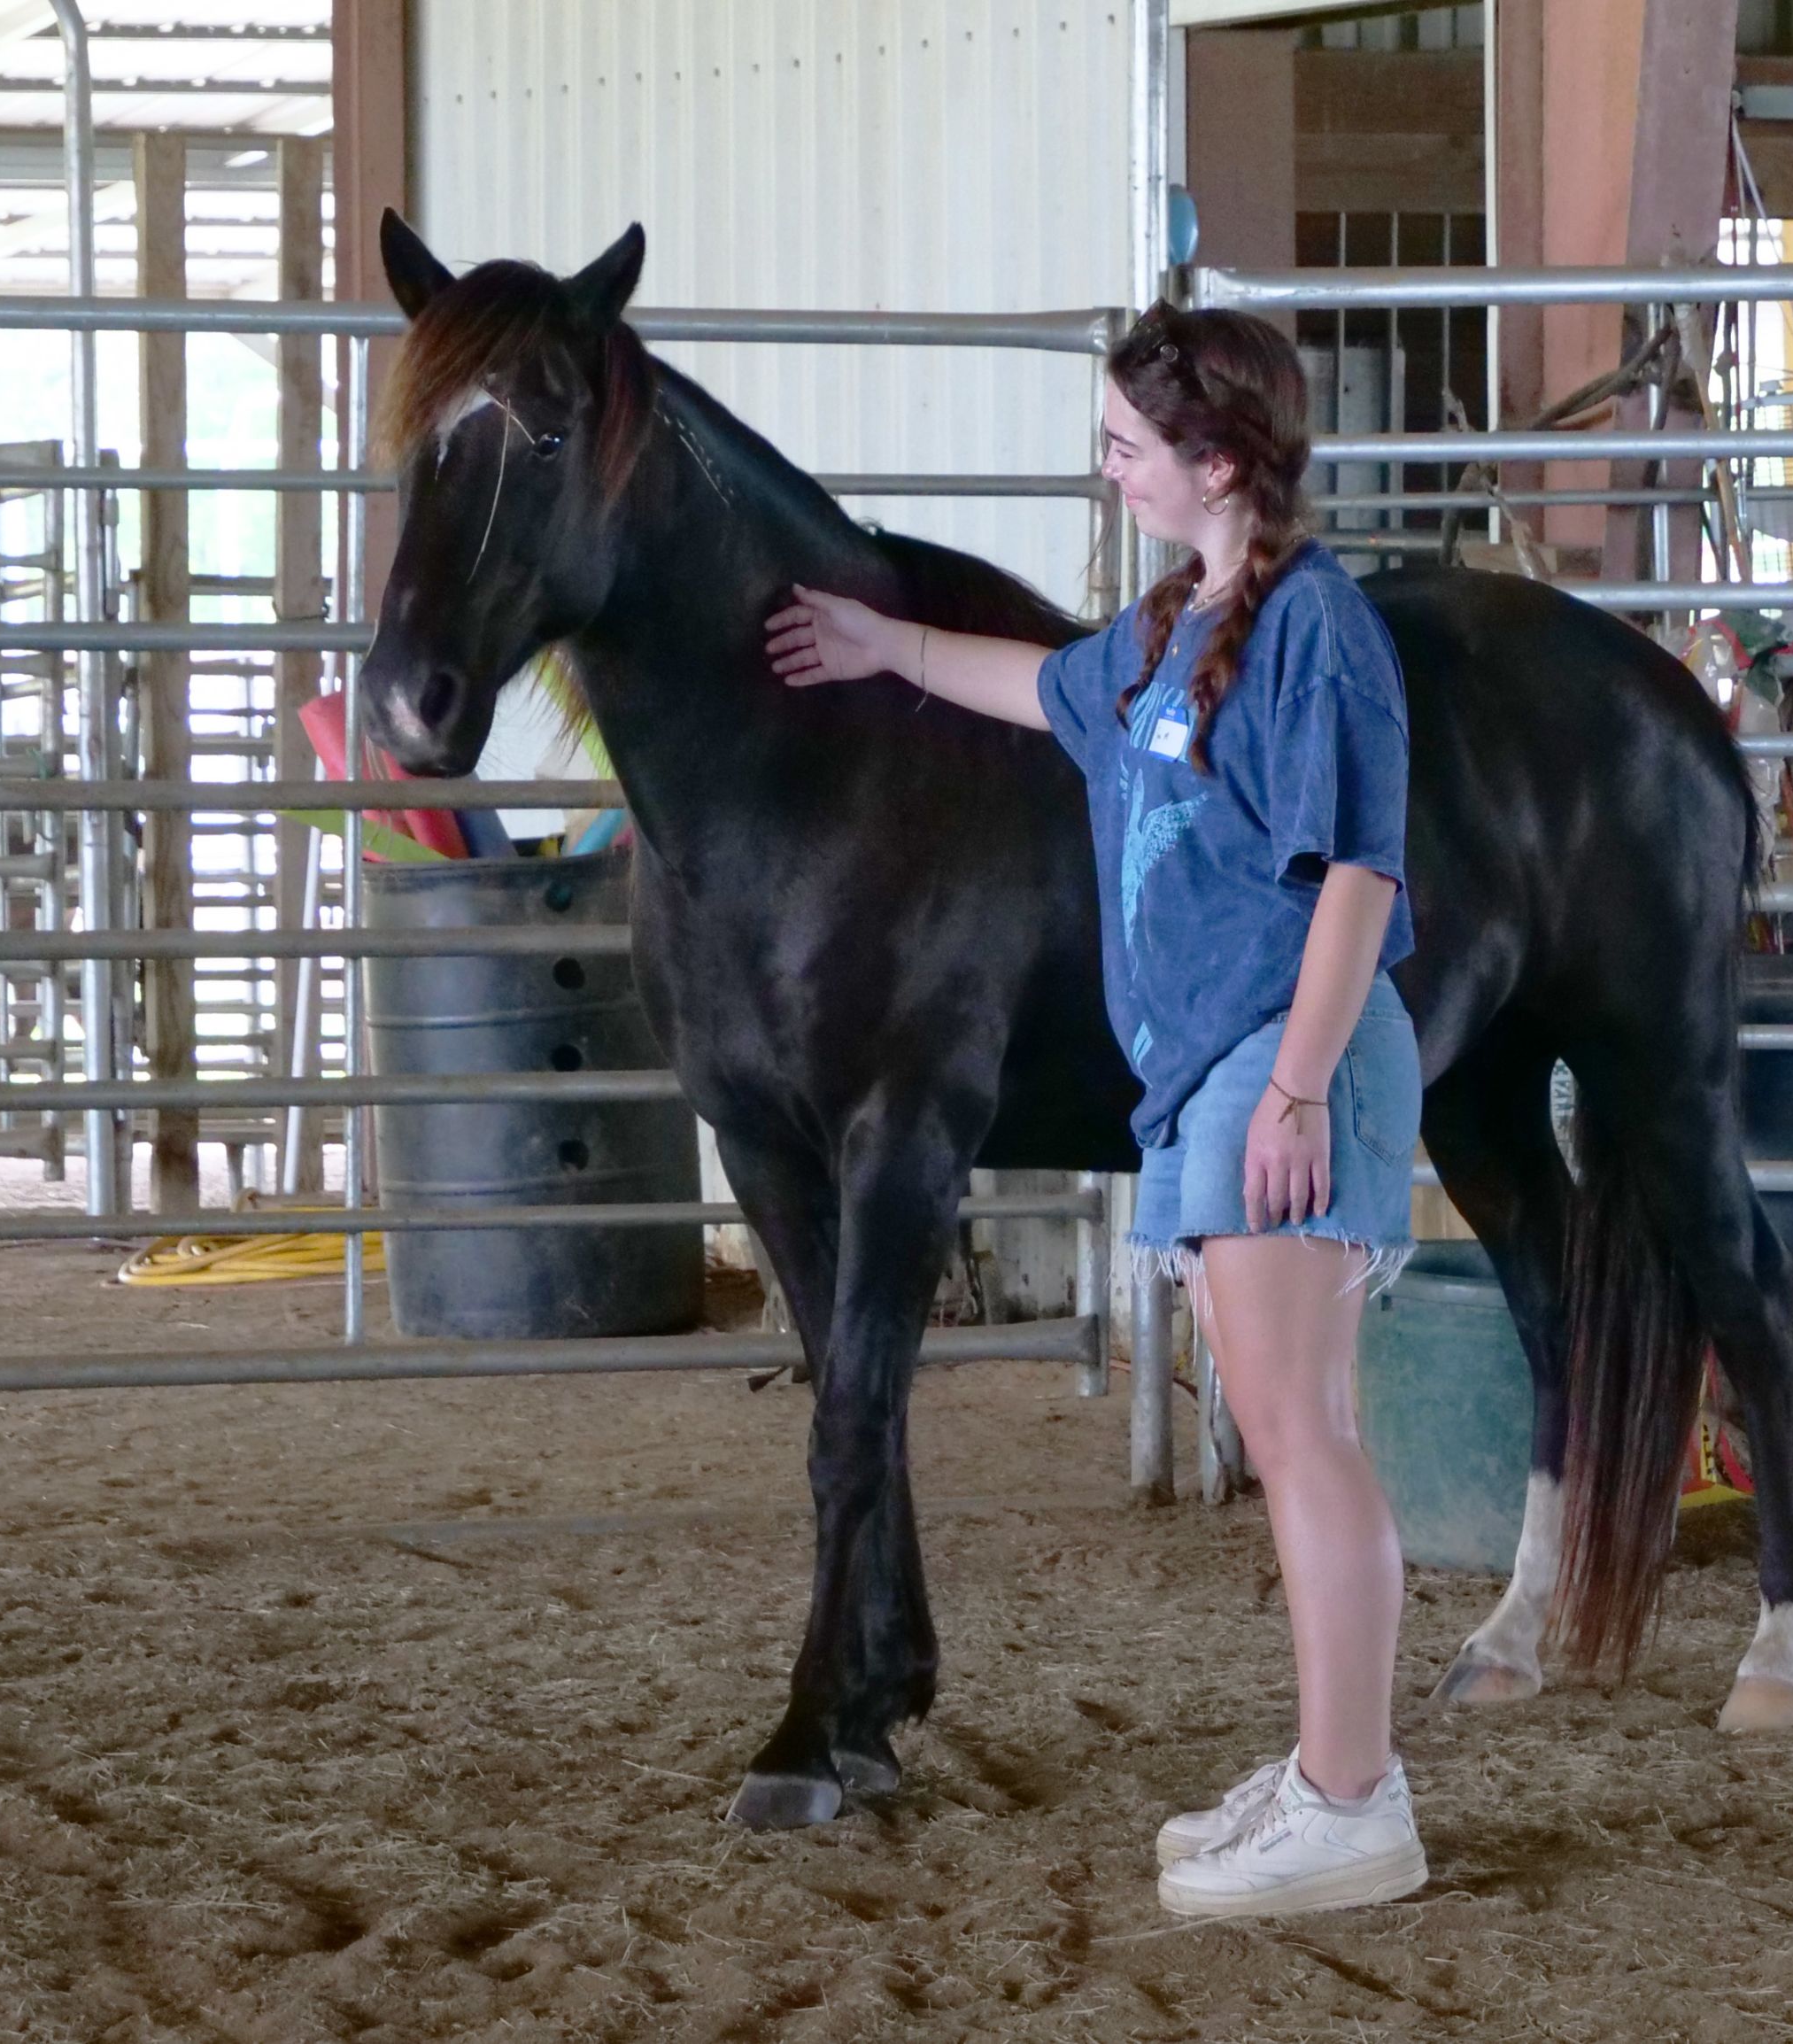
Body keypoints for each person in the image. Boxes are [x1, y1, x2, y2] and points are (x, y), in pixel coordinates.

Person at [763, 304, 1426, 1920]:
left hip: (1286, 1059)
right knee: (1288, 1438)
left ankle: (1354, 1800)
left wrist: (1296, 1088)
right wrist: (887, 645)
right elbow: (1038, 683)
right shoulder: (1171, 624)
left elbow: (1360, 872)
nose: (1108, 469)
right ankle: (1336, 1771)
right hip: (1218, 1071)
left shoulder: (1314, 628)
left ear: (1214, 463)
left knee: (1303, 1438)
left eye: (1127, 446)